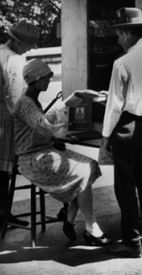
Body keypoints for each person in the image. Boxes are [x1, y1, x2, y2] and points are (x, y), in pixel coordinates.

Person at [13, 59, 111, 245]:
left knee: (89, 165)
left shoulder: (32, 101)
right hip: (32, 159)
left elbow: (36, 131)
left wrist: (53, 141)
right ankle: (91, 227)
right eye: (44, 78)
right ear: (33, 79)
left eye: (49, 78)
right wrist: (68, 102)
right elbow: (43, 125)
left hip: (43, 151)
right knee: (81, 172)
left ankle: (70, 217)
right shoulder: (25, 103)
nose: (48, 82)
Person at [101, 8, 142, 258]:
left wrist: (105, 137)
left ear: (127, 33)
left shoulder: (121, 63)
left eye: (118, 34)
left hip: (126, 128)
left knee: (126, 188)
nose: (117, 39)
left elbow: (115, 105)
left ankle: (132, 242)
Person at [0, 20, 39, 228]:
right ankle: (4, 211)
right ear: (20, 43)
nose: (29, 49)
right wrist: (22, 118)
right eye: (28, 45)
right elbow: (13, 95)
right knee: (3, 165)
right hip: (2, 113)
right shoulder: (14, 59)